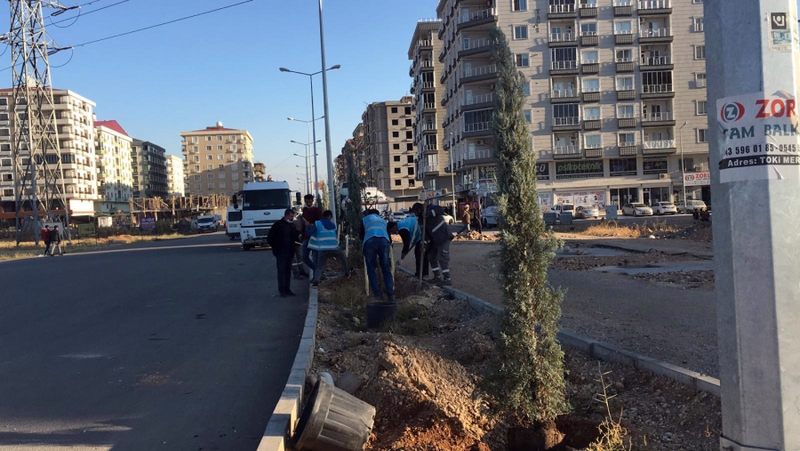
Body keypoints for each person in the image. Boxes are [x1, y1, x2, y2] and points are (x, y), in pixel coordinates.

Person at [361, 209, 394, 302]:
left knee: (371, 269)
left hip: (369, 242)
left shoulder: (365, 219)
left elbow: (361, 234)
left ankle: (377, 294)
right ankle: (390, 293)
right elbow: (388, 236)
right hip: (384, 241)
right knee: (386, 267)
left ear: (368, 214)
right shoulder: (383, 220)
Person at [306, 210, 346, 284]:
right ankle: (346, 272)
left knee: (319, 266)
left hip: (322, 249)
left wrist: (308, 226)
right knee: (343, 257)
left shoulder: (317, 223)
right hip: (334, 248)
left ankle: (316, 280)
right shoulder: (333, 225)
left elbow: (309, 233)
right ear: (329, 216)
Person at [267, 208, 300, 297]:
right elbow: (270, 238)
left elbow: (296, 237)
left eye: (293, 217)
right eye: (291, 216)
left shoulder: (292, 225)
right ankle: (282, 291)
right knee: (281, 272)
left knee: (288, 271)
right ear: (287, 215)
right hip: (281, 253)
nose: (292, 218)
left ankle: (287, 289)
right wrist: (276, 249)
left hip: (290, 252)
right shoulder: (277, 225)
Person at [390, 203, 426, 277]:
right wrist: (404, 254)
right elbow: (409, 243)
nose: (394, 233)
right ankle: (422, 274)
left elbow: (407, 242)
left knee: (419, 253)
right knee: (420, 254)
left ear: (394, 227)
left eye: (392, 231)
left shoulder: (402, 229)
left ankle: (420, 274)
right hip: (420, 235)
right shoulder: (401, 224)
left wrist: (403, 254)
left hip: (422, 235)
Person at [424, 203, 452, 285]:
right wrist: (425, 244)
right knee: (431, 256)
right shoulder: (422, 219)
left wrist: (430, 213)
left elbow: (441, 210)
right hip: (435, 240)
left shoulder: (431, 209)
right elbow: (425, 234)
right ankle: (437, 277)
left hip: (444, 237)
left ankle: (447, 279)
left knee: (442, 258)